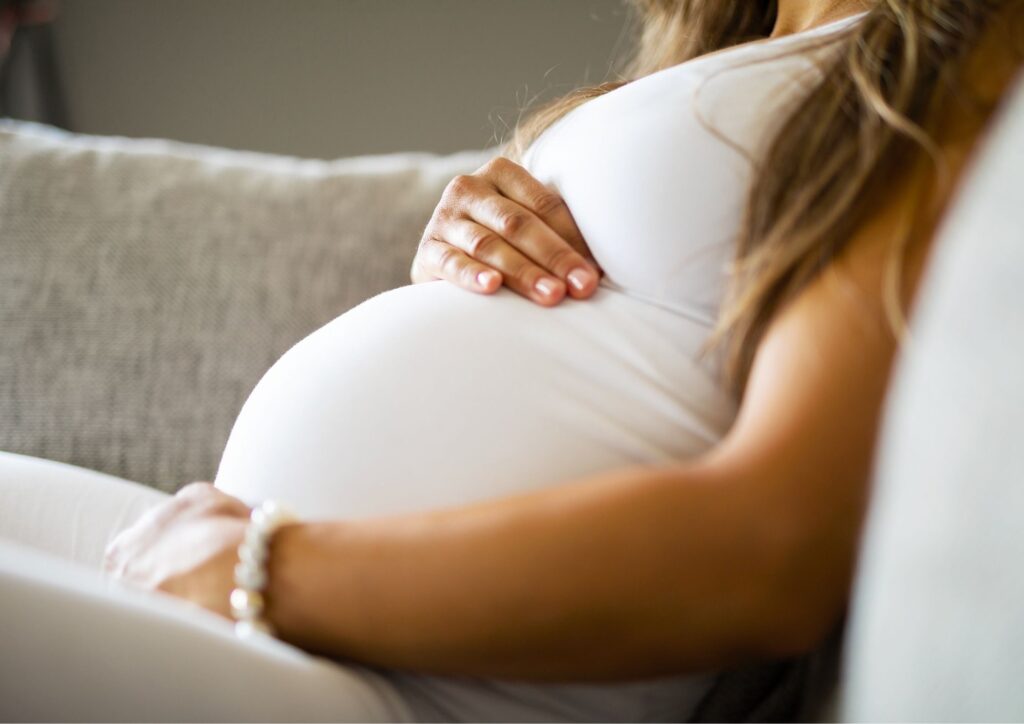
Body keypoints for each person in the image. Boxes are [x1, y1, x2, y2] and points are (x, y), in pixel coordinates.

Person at [1, 0, 1021, 720]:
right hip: (284, 622)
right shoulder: (747, 38)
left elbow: (775, 542)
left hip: (415, 686)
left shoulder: (961, 57)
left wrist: (265, 569)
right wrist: (463, 260)